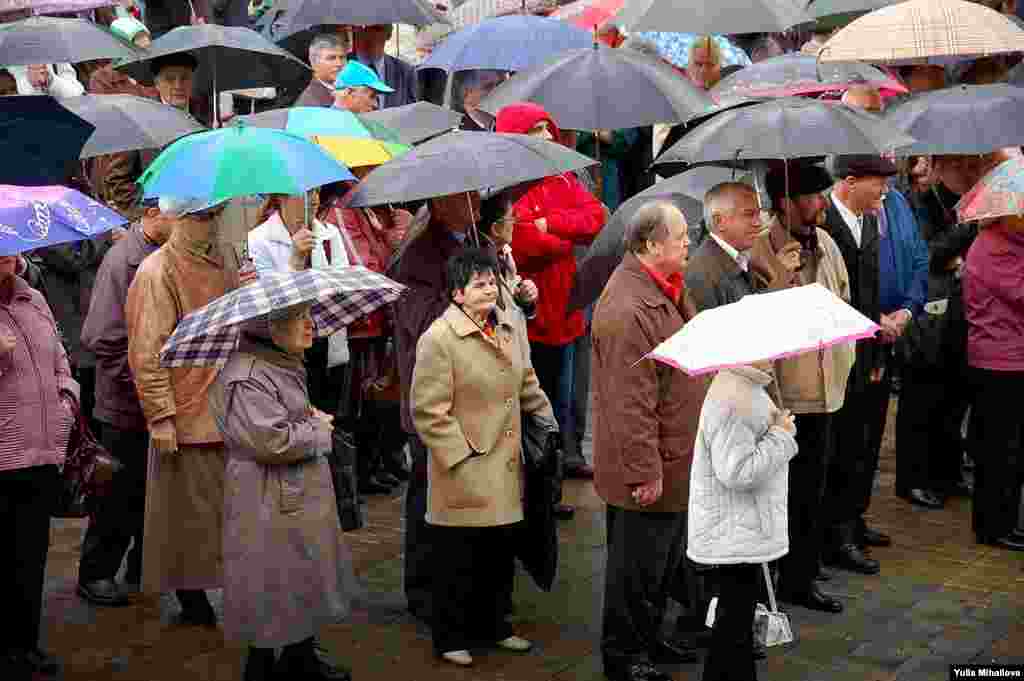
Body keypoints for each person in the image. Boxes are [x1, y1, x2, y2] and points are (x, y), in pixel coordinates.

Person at [411, 247, 557, 667]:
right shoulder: (439, 339)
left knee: (498, 553)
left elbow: (526, 382)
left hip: (507, 463)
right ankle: (451, 636)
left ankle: (497, 626)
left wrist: (548, 424)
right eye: (479, 283)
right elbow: (428, 411)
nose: (490, 289)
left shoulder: (508, 329)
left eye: (492, 281)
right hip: (465, 469)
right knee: (459, 558)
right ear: (457, 293)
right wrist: (462, 458)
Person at [591, 202, 708, 681]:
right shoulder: (627, 308)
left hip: (675, 457)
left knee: (658, 566)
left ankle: (649, 638)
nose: (687, 242)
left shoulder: (666, 289)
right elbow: (627, 403)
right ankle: (625, 657)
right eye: (680, 236)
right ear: (650, 245)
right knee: (634, 571)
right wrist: (644, 471)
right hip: (648, 467)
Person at [210, 304, 354, 681]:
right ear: (270, 328)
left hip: (291, 490)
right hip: (266, 494)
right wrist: (319, 430)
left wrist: (309, 418)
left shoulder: (280, 362)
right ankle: (261, 668)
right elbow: (270, 441)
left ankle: (299, 658)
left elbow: (287, 419)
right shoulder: (248, 374)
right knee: (269, 581)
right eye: (298, 318)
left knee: (298, 575)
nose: (311, 324)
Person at [751, 164, 853, 614]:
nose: (821, 204)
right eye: (812, 197)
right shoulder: (760, 250)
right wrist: (782, 279)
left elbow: (844, 300)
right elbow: (752, 321)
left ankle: (802, 578)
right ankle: (764, 582)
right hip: (783, 397)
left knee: (812, 491)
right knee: (777, 495)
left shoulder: (827, 244)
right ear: (784, 203)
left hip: (826, 389)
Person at [126, 196, 230, 626]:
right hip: (186, 406)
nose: (211, 226)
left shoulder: (221, 261)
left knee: (216, 511)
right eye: (204, 216)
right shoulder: (157, 271)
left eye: (215, 215)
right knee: (186, 514)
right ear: (179, 218)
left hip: (224, 400)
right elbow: (146, 350)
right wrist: (161, 415)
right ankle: (191, 598)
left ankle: (211, 591)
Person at [495, 103, 607, 484]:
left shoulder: (561, 178)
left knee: (567, 396)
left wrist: (551, 225)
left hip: (567, 310)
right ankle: (542, 476)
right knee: (536, 400)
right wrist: (562, 239)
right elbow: (526, 242)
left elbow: (596, 218)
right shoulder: (510, 185)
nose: (545, 136)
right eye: (535, 129)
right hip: (531, 312)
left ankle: (562, 463)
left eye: (547, 127)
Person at [842, 85, 930, 547]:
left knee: (874, 434)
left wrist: (907, 311)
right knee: (851, 438)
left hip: (893, 330)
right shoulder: (847, 204)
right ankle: (842, 525)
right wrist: (875, 315)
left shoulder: (895, 201)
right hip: (860, 336)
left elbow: (918, 258)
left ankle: (857, 516)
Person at [76, 199, 176, 607]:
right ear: (154, 212)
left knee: (148, 494)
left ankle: (141, 566)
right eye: (180, 215)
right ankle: (96, 572)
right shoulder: (123, 261)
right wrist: (141, 381)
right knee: (117, 495)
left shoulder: (160, 255)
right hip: (125, 401)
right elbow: (102, 336)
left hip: (150, 396)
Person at [392, 191, 481, 623]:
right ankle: (423, 590)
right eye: (467, 196)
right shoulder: (418, 256)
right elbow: (422, 323)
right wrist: (468, 299)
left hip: (470, 394)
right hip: (433, 398)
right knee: (427, 494)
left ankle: (459, 585)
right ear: (443, 202)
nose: (478, 202)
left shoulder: (474, 242)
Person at [688, 361, 798, 681]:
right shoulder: (733, 397)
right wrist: (781, 435)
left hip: (741, 527)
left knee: (735, 623)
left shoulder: (745, 387)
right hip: (735, 531)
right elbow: (737, 472)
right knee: (733, 624)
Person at [0, 253, 78, 680]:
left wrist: (66, 396)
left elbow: (59, 356)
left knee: (31, 556)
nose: (5, 252)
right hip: (3, 458)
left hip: (42, 451)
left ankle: (24, 644)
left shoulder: (33, 299)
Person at [820, 153, 895, 576]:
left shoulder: (868, 220)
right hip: (836, 356)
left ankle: (854, 519)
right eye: (877, 183)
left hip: (866, 351)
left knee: (863, 444)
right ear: (850, 181)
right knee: (842, 448)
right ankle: (837, 536)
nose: (883, 192)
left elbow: (871, 289)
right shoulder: (827, 224)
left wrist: (876, 351)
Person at [320, 177, 411, 494]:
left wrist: (391, 235)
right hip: (360, 322)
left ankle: (373, 466)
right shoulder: (343, 210)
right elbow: (363, 266)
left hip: (376, 320)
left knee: (375, 399)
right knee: (356, 401)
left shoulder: (371, 208)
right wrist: (393, 244)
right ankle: (358, 473)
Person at [248, 189, 353, 427]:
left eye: (316, 190)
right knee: (298, 424)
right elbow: (269, 303)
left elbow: (344, 287)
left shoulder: (330, 234)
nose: (314, 198)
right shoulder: (258, 239)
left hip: (327, 344)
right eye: (304, 192)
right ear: (281, 197)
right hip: (287, 352)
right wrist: (295, 259)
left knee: (331, 425)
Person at [963, 214, 1024, 552]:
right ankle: (993, 526)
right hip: (999, 361)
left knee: (1010, 448)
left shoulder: (1008, 243)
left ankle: (1005, 520)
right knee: (1000, 449)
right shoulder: (992, 248)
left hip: (1011, 357)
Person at [97, 53, 200, 219]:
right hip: (155, 221)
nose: (178, 85)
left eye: (184, 78)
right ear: (157, 84)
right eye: (170, 79)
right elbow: (117, 182)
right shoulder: (137, 120)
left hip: (198, 217)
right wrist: (147, 215)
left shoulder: (204, 117)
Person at [686, 182, 780, 313]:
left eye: (758, 214)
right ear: (719, 221)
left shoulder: (742, 258)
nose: (758, 223)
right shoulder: (701, 275)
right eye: (748, 214)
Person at [350, 24, 419, 108]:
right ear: (354, 29)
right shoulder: (338, 67)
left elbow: (411, 113)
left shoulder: (405, 72)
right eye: (363, 27)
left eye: (376, 28)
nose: (369, 34)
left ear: (388, 34)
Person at [296, 34, 348, 108]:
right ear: (314, 63)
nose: (339, 64)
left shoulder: (355, 86)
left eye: (342, 57)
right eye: (331, 58)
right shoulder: (308, 104)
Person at [6, 63, 84, 98]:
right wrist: (31, 82)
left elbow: (76, 92)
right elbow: (24, 88)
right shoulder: (15, 64)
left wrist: (51, 80)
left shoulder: (57, 56)